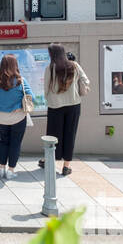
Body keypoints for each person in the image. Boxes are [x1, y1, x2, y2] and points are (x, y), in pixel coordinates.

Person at [42, 44, 90, 176]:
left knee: (53, 135)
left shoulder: (50, 68)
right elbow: (86, 81)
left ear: (52, 55)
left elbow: (46, 89)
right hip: (74, 105)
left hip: (55, 106)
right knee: (70, 134)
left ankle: (50, 161)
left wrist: (50, 98)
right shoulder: (74, 66)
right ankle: (66, 166)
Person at [0, 54, 33, 180]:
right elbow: (31, 96)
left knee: (3, 141)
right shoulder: (20, 81)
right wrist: (18, 103)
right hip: (18, 117)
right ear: (15, 65)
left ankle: (2, 168)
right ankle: (11, 170)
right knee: (15, 143)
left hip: (1, 117)